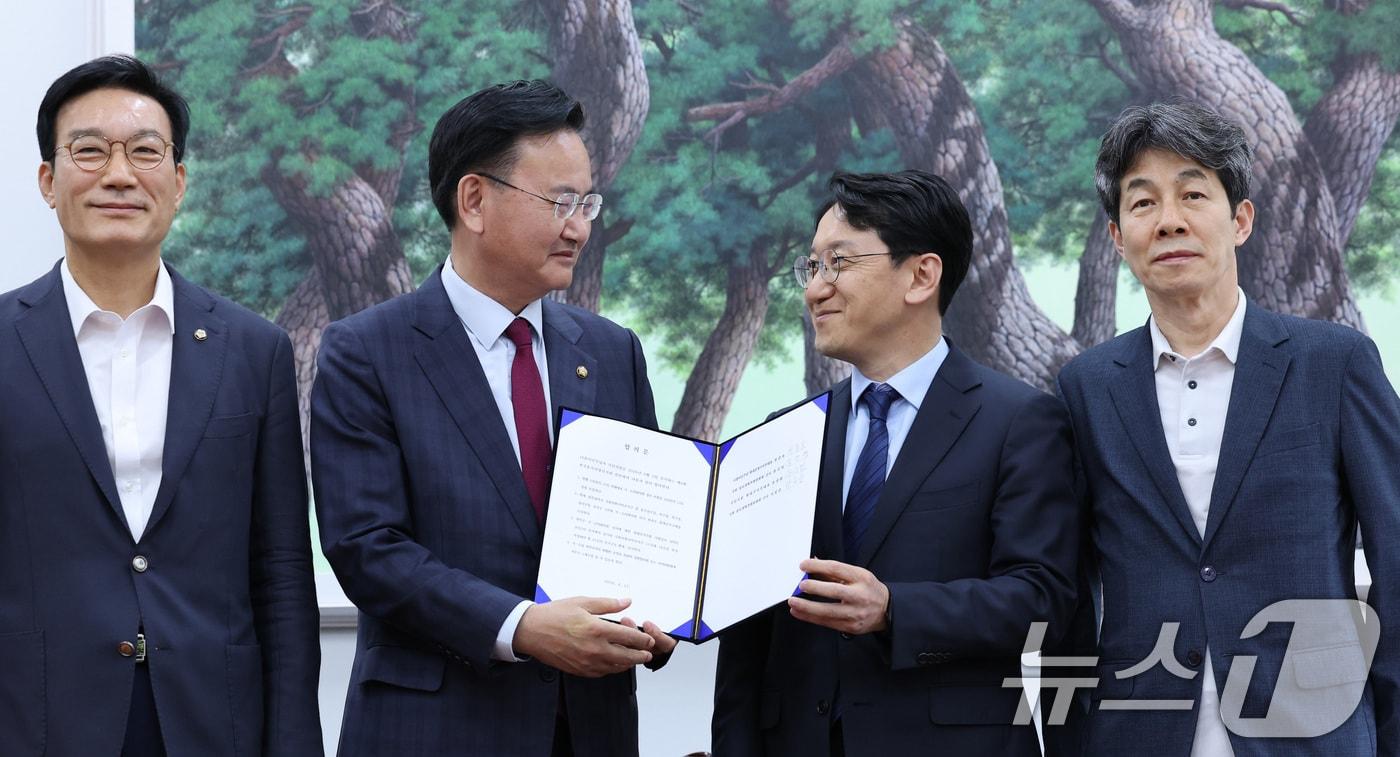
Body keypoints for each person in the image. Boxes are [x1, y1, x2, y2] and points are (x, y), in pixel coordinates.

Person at [311, 79, 676, 757]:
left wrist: (658, 615)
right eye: (561, 202)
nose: (581, 226)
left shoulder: (610, 350)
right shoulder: (367, 352)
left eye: (588, 201)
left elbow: (644, 535)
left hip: (589, 730)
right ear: (473, 200)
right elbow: (368, 549)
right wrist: (523, 626)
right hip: (435, 730)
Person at [1054, 100, 1399, 755]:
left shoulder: (1334, 362)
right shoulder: (1086, 387)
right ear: (1117, 236)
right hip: (1139, 732)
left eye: (1192, 193)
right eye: (1143, 202)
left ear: (1240, 220)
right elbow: (1072, 592)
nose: (1170, 221)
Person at [0, 55, 322, 756]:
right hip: (37, 718)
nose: (119, 174)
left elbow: (282, 574)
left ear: (177, 183)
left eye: (145, 151)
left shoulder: (252, 348)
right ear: (49, 182)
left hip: (212, 720)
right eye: (89, 150)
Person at [712, 170, 1079, 756]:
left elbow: (1042, 599)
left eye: (839, 263)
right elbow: (746, 646)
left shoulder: (1019, 421)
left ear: (921, 275)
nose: (815, 289)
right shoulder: (783, 433)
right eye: (811, 267)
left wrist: (894, 610)